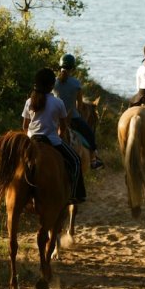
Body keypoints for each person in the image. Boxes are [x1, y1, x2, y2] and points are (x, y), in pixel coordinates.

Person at [22, 68, 87, 203]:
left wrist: (28, 138)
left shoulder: (29, 102)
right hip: (52, 141)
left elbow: (24, 126)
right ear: (52, 85)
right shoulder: (58, 103)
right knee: (75, 161)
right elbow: (63, 127)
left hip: (31, 140)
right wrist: (59, 135)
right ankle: (74, 194)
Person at [53, 53, 104, 170]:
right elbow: (79, 106)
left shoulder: (54, 82)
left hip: (55, 118)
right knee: (90, 134)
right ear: (73, 68)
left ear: (60, 66)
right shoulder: (76, 83)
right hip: (73, 118)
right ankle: (94, 160)